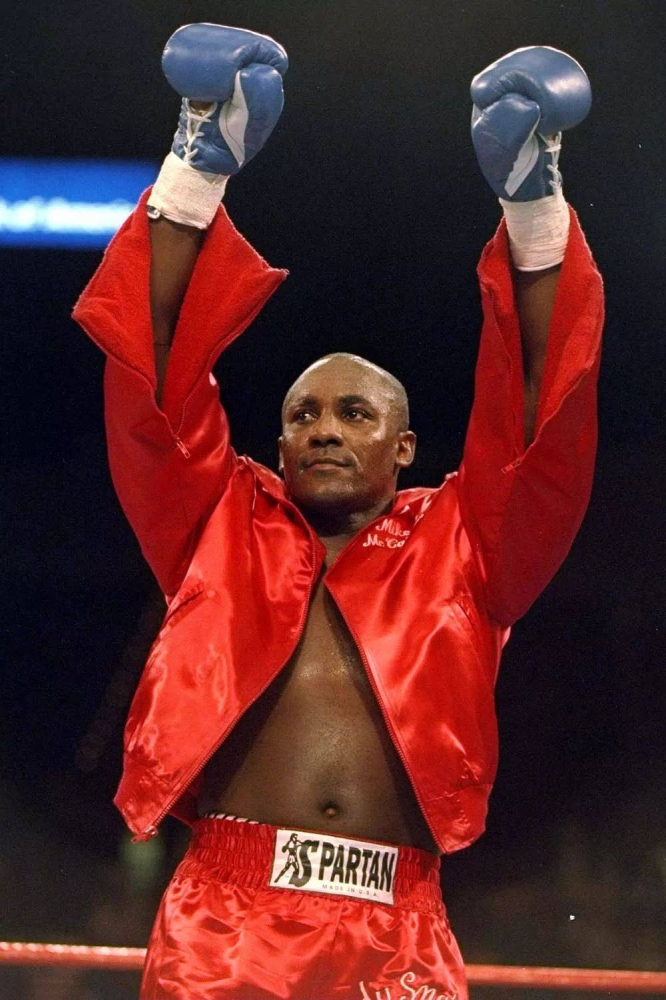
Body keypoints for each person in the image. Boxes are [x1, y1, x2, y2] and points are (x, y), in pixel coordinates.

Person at [73, 23, 604, 1000]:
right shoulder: (217, 523)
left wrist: (534, 207)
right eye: (302, 415)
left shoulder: (466, 547)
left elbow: (543, 428)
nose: (323, 428)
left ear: (404, 447)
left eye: (355, 414)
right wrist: (196, 169)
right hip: (225, 929)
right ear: (276, 446)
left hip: (396, 931)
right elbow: (147, 386)